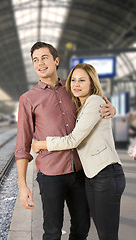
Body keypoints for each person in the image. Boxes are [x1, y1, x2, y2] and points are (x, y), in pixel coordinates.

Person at [14, 42, 116, 240]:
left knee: (82, 227)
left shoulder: (74, 89)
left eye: (45, 57)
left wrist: (112, 110)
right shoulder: (28, 99)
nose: (40, 63)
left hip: (80, 172)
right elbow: (22, 146)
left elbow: (98, 104)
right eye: (35, 60)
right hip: (51, 174)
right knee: (52, 232)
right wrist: (22, 186)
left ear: (56, 60)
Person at [31, 63, 125, 240]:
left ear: (92, 83)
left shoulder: (95, 101)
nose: (76, 84)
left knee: (107, 235)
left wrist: (41, 144)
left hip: (106, 174)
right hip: (93, 175)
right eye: (73, 80)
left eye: (82, 80)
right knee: (102, 231)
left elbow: (73, 139)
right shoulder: (84, 104)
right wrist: (114, 110)